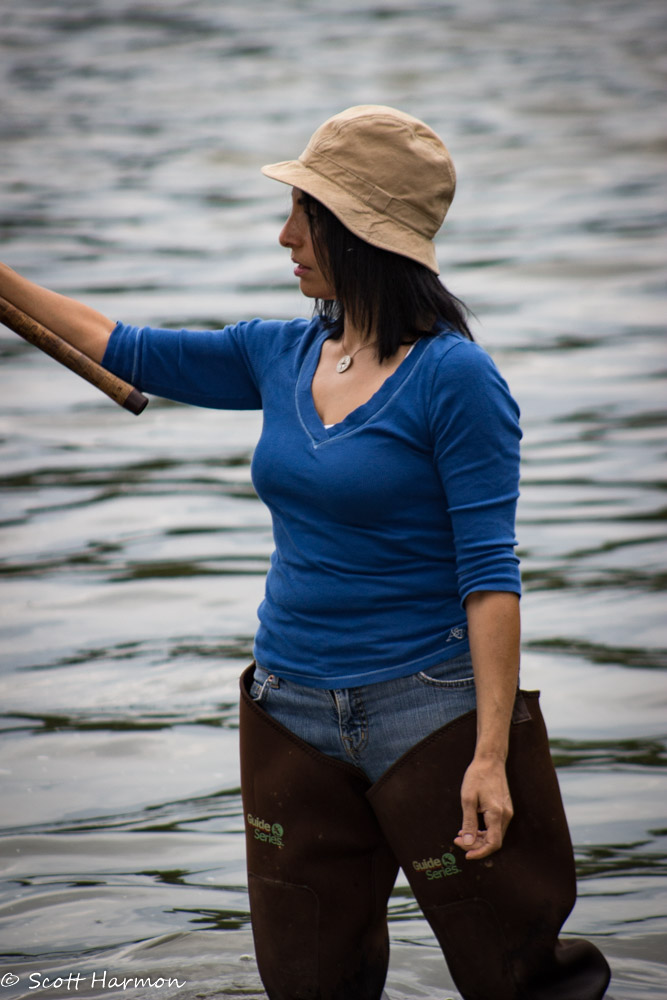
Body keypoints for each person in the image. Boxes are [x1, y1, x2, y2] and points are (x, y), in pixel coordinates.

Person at [1, 105, 609, 1000]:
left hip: (432, 720)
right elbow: (113, 344)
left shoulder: (457, 380)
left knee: (517, 980)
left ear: (359, 235)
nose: (284, 235)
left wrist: (489, 755)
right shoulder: (275, 353)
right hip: (288, 715)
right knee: (307, 985)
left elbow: (489, 577)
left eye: (305, 217)